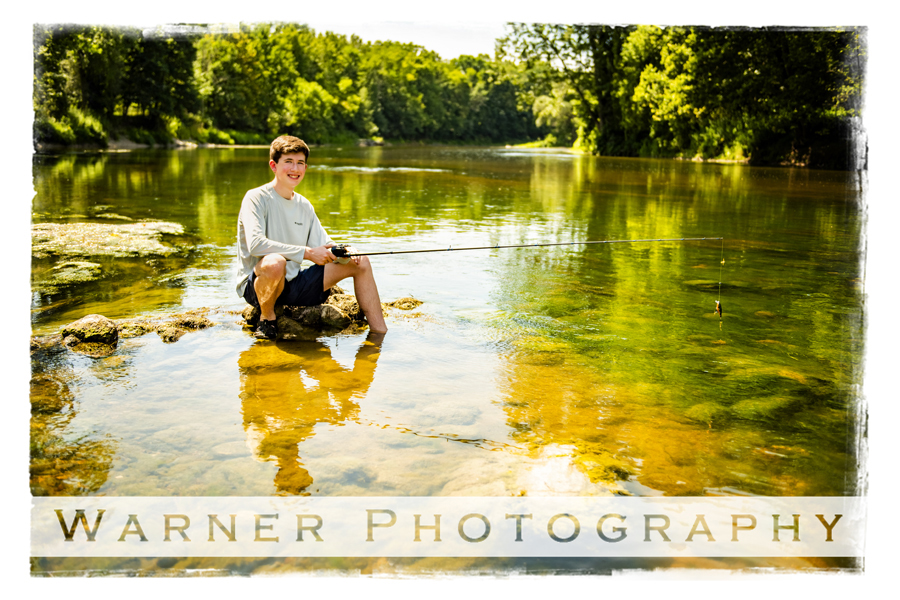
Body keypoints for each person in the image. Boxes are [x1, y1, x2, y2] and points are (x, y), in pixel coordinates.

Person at [235, 135, 388, 339]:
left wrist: (345, 251)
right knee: (275, 262)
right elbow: (256, 245)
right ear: (274, 165)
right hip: (258, 285)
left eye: (300, 163)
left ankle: (379, 333)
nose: (295, 169)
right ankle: (267, 318)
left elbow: (323, 245)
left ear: (305, 168)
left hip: (294, 285)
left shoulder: (304, 205)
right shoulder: (255, 198)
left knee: (361, 262)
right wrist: (306, 254)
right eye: (288, 162)